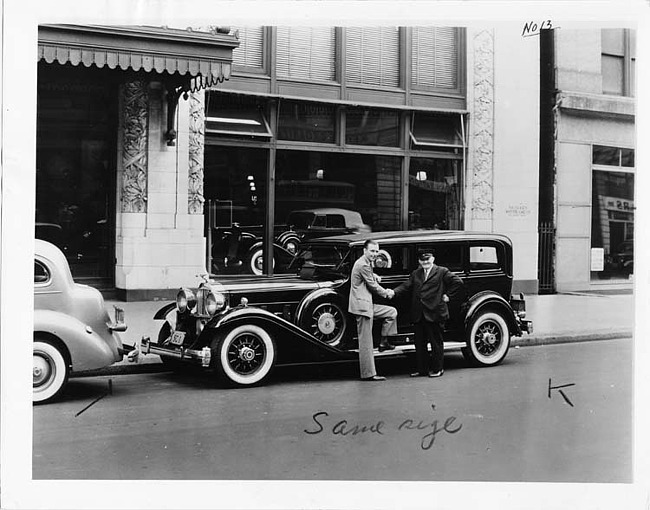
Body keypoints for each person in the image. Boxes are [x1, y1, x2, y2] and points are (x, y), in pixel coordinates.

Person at [392, 250, 464, 378]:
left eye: (428, 259)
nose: (425, 262)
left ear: (433, 259)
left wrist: (448, 296)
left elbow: (458, 282)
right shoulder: (416, 273)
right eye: (423, 260)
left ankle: (438, 369)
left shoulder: (442, 271)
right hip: (419, 314)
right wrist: (393, 292)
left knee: (436, 343)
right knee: (419, 344)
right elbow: (406, 286)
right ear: (419, 261)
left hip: (435, 313)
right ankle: (422, 370)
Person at [348, 239, 398, 381]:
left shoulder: (365, 263)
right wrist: (386, 293)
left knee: (392, 312)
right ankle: (368, 374)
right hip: (362, 307)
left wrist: (374, 275)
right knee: (366, 343)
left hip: (367, 305)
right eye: (372, 251)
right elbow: (373, 286)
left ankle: (384, 341)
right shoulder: (363, 264)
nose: (374, 254)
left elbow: (368, 276)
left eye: (376, 251)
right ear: (365, 250)